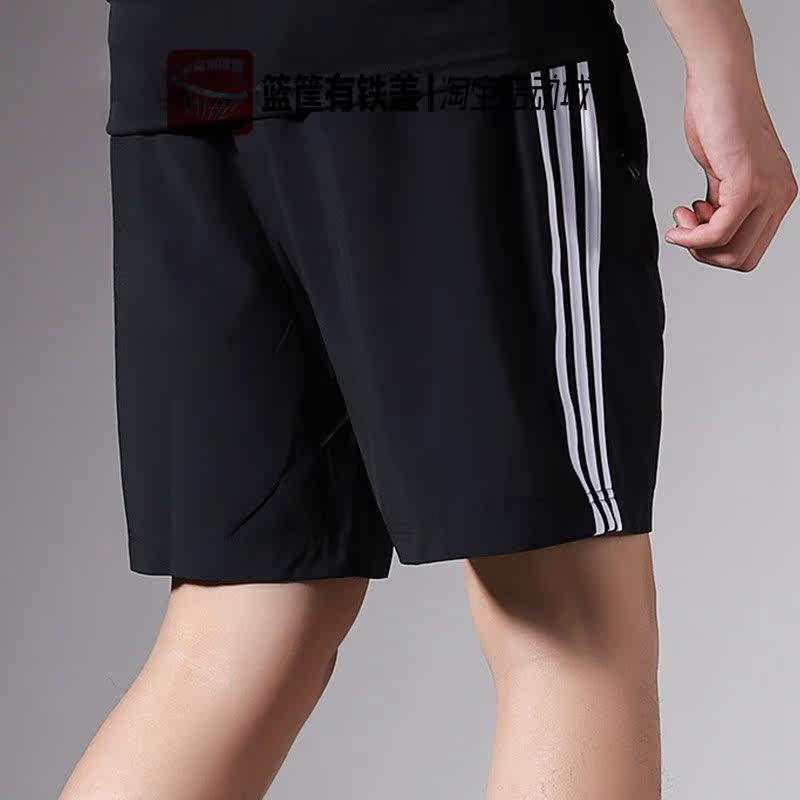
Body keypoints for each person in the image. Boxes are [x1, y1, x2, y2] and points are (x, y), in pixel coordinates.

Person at [61, 0, 795, 798]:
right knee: (569, 635)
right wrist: (723, 59)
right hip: (456, 51)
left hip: (188, 62)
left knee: (235, 632)